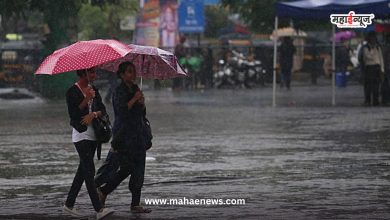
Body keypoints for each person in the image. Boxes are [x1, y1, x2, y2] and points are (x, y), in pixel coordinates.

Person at [97, 62, 152, 213]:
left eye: (133, 72)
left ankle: (135, 204)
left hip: (138, 135)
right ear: (121, 75)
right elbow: (122, 112)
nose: (132, 74)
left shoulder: (136, 89)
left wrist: (142, 103)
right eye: (129, 72)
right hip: (124, 136)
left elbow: (141, 113)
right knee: (127, 167)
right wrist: (135, 99)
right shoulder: (118, 91)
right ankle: (104, 191)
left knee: (139, 169)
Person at [64, 68, 114, 219]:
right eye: (91, 72)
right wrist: (85, 99)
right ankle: (99, 210)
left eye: (94, 72)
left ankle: (69, 204)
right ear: (82, 73)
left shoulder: (93, 89)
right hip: (81, 135)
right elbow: (73, 114)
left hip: (94, 136)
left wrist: (94, 114)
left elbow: (103, 110)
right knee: (89, 171)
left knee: (82, 172)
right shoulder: (72, 91)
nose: (94, 75)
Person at [360, 31, 384, 106]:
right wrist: (372, 51)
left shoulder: (377, 47)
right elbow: (367, 57)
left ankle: (375, 100)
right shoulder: (366, 47)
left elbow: (380, 58)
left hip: (376, 67)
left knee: (376, 85)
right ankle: (367, 100)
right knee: (368, 85)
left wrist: (382, 69)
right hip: (369, 67)